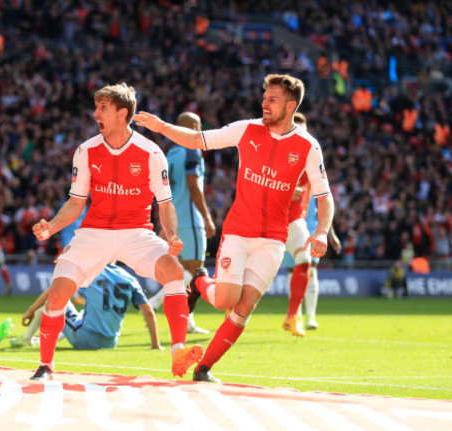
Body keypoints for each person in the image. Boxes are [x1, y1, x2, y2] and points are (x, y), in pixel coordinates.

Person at [134, 73, 334, 383]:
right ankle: (199, 280)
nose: (264, 103)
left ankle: (203, 370)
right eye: (264, 97)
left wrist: (321, 230)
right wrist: (161, 127)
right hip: (238, 233)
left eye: (273, 100)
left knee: (245, 306)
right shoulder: (246, 129)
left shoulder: (308, 146)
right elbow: (198, 140)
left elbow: (324, 195)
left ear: (291, 106)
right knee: (225, 300)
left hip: (273, 240)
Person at [29, 83, 202, 381]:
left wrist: (171, 235)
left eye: (103, 108)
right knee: (58, 294)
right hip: (94, 232)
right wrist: (52, 226)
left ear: (123, 114)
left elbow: (165, 204)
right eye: (96, 107)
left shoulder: (151, 152)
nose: (96, 113)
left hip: (136, 232)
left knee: (173, 270)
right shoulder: (85, 151)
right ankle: (45, 366)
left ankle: (177, 353)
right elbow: (75, 203)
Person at [148, 112, 215, 335]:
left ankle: (187, 321)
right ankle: (155, 303)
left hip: (173, 217)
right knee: (195, 271)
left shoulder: (171, 153)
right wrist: (206, 217)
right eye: (197, 124)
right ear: (188, 126)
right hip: (190, 218)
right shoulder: (191, 150)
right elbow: (193, 186)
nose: (200, 128)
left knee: (183, 269)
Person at [281, 113, 341, 335]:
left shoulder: (312, 158)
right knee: (289, 272)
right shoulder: (282, 152)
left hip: (307, 223)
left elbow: (324, 198)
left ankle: (308, 316)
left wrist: (327, 231)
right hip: (279, 221)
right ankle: (293, 316)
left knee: (309, 267)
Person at [10, 262, 162, 350]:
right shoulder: (130, 278)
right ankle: (46, 339)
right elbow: (148, 311)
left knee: (52, 303)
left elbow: (53, 291)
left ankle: (26, 338)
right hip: (111, 343)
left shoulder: (90, 272)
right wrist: (155, 344)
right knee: (83, 313)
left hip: (85, 339)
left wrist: (31, 310)